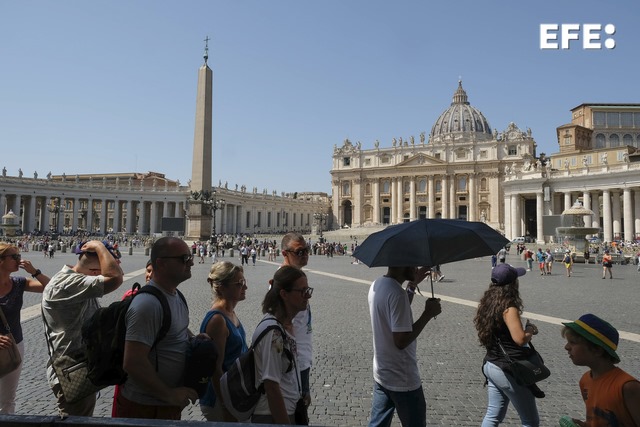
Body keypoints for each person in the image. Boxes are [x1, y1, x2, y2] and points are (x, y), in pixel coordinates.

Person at [117, 237, 201, 420]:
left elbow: (172, 329)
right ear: (161, 263)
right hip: (145, 407)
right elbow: (132, 362)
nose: (191, 262)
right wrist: (169, 394)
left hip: (164, 405)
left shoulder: (176, 295)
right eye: (184, 258)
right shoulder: (147, 304)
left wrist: (194, 338)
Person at [42, 240, 124, 417]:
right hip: (72, 371)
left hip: (78, 367)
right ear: (95, 272)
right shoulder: (68, 284)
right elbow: (116, 277)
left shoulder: (74, 282)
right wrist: (100, 247)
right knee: (76, 420)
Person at [367, 265, 442, 427]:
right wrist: (427, 314)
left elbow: (398, 312)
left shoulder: (377, 284)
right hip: (403, 379)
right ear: (401, 262)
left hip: (382, 374)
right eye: (412, 263)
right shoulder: (396, 294)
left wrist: (412, 286)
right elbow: (401, 341)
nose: (416, 268)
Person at [474, 263, 541, 427]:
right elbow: (519, 339)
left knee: (493, 415)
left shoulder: (487, 303)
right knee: (530, 420)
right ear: (513, 283)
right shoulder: (508, 307)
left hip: (491, 363)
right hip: (507, 368)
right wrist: (530, 330)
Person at [252, 266, 310, 423]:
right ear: (284, 294)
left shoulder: (287, 325)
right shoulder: (274, 333)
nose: (308, 296)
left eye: (308, 290)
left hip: (289, 409)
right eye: (303, 291)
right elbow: (271, 385)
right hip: (273, 416)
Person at [561, 314, 640, 427]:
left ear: (597, 350)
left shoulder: (627, 387)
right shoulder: (585, 380)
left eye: (573, 342)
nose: (567, 347)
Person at [0, 242, 50, 414]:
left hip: (14, 346)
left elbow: (51, 288)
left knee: (7, 399)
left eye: (19, 256)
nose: (19, 260)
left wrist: (34, 272)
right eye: (14, 257)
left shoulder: (20, 283)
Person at [199, 261, 248, 421]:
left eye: (244, 282)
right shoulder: (217, 321)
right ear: (221, 287)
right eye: (239, 283)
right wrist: (226, 406)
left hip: (235, 394)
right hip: (219, 401)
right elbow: (215, 369)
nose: (245, 287)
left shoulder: (230, 313)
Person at [111, 259, 153, 417]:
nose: (149, 275)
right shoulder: (131, 295)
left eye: (153, 271)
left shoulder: (172, 296)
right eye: (148, 270)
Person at [280, 232, 313, 412]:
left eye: (306, 250)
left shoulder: (297, 278)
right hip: (294, 362)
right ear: (285, 253)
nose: (305, 254)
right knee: (297, 414)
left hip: (302, 358)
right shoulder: (282, 283)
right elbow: (282, 323)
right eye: (299, 252)